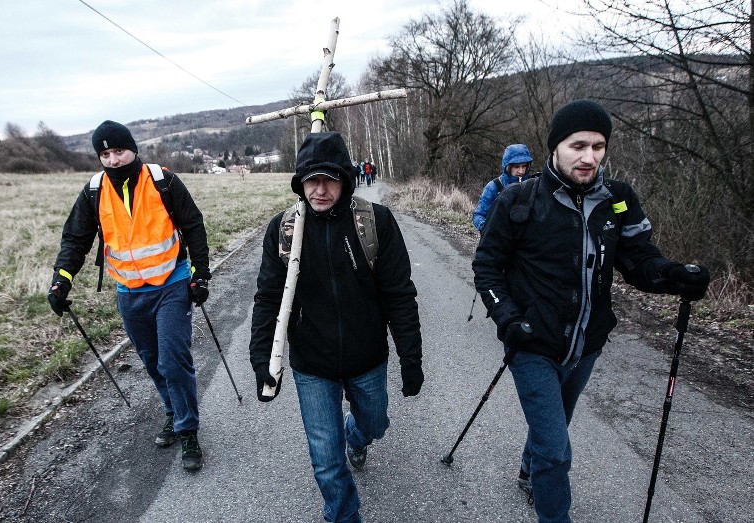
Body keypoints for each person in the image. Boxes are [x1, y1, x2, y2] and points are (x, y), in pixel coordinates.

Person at [472, 99, 710, 522]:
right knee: (556, 449)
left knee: (555, 426)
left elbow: (640, 262)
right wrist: (508, 319)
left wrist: (676, 277)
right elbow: (487, 268)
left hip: (587, 344)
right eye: (578, 145)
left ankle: (530, 470)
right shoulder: (518, 201)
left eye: (598, 146)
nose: (589, 157)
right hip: (532, 342)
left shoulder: (617, 200)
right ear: (555, 147)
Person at [249, 131, 424, 523]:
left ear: (345, 178)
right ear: (300, 183)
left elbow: (399, 293)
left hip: (367, 359)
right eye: (311, 180)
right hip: (312, 365)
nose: (320, 189)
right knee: (327, 461)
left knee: (376, 424)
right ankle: (344, 515)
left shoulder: (374, 222)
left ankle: (358, 434)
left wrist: (411, 358)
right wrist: (262, 357)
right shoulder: (284, 231)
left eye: (329, 178)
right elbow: (267, 298)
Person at [48, 120, 212, 472]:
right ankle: (173, 411)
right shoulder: (94, 190)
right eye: (105, 154)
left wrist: (201, 274)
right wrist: (61, 280)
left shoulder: (162, 180)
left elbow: (194, 225)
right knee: (153, 362)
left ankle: (188, 430)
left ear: (133, 149)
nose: (113, 159)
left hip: (171, 284)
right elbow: (76, 239)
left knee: (172, 359)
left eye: (119, 151)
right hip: (129, 292)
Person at [472, 144, 533, 232]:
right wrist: (486, 229)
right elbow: (478, 215)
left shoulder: (532, 184)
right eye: (517, 167)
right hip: (500, 240)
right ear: (508, 167)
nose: (521, 171)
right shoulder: (494, 187)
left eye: (524, 166)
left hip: (525, 241)